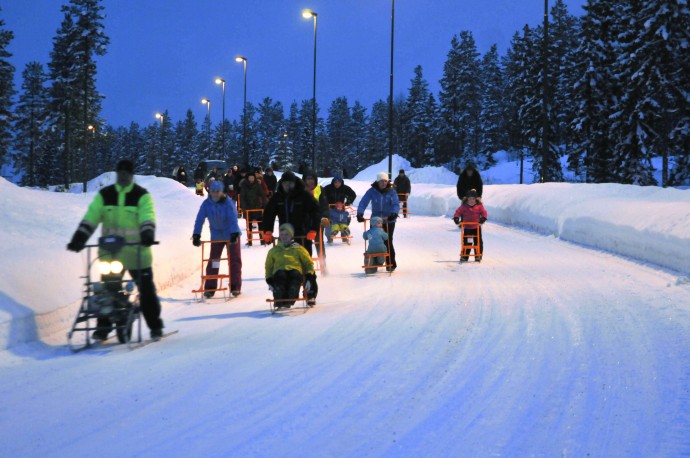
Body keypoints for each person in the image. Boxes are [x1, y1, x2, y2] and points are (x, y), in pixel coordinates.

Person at [67, 159, 164, 340]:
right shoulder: (105, 195)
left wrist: (147, 233)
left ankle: (155, 326)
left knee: (147, 292)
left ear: (132, 175)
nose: (123, 177)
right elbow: (92, 217)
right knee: (107, 290)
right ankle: (103, 328)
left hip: (137, 253)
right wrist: (79, 237)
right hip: (110, 253)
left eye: (127, 174)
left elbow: (147, 216)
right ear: (117, 174)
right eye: (120, 173)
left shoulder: (141, 195)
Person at [260, 171, 323, 302]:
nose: (287, 186)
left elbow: (315, 211)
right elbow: (269, 213)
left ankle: (310, 293)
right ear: (281, 184)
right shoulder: (278, 197)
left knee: (306, 264)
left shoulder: (304, 195)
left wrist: (313, 229)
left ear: (295, 183)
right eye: (285, 183)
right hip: (285, 237)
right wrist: (267, 231)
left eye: (290, 183)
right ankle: (284, 293)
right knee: (284, 265)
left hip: (303, 235)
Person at [192, 180, 243, 298]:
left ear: (221, 192)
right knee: (214, 261)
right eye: (213, 192)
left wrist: (234, 233)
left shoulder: (228, 203)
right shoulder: (206, 204)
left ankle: (235, 286)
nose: (215, 194)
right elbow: (199, 219)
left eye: (217, 192)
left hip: (231, 235)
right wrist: (196, 235)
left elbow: (233, 219)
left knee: (234, 261)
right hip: (216, 236)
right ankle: (210, 287)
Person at [265, 223, 317, 308]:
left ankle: (292, 294)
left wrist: (309, 276)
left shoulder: (298, 249)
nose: (284, 236)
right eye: (282, 234)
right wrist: (269, 280)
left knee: (295, 277)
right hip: (279, 270)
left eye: (287, 234)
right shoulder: (274, 250)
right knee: (280, 277)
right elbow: (268, 266)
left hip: (295, 269)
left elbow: (308, 262)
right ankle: (278, 295)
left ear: (291, 236)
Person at [357, 172, 400, 271]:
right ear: (378, 181)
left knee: (388, 241)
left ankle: (391, 264)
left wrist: (394, 213)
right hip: (375, 221)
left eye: (385, 181)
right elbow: (364, 201)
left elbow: (395, 203)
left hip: (388, 220)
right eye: (382, 181)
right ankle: (374, 264)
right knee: (374, 241)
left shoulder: (392, 192)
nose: (384, 183)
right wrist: (360, 213)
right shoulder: (372, 191)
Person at [302, 169, 331, 257]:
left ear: (315, 180)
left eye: (312, 179)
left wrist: (325, 217)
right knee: (304, 242)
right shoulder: (300, 190)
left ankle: (323, 262)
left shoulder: (320, 189)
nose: (310, 181)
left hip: (317, 220)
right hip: (304, 220)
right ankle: (305, 263)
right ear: (304, 180)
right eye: (308, 179)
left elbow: (324, 205)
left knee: (319, 241)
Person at [453, 188, 487, 262]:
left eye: (473, 199)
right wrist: (456, 218)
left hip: (476, 227)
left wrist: (483, 218)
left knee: (478, 241)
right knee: (467, 242)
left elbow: (484, 212)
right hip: (467, 227)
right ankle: (465, 256)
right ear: (467, 199)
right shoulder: (464, 206)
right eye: (470, 199)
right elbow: (458, 212)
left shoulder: (479, 206)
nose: (471, 200)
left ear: (476, 199)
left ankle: (478, 255)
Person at [239, 171, 268, 246]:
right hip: (248, 208)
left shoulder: (257, 185)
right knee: (249, 225)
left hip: (257, 206)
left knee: (261, 224)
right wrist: (244, 208)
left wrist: (265, 204)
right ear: (248, 178)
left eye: (252, 177)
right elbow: (242, 197)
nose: (251, 179)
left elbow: (262, 194)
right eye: (250, 177)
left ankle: (262, 240)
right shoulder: (244, 186)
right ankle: (250, 241)